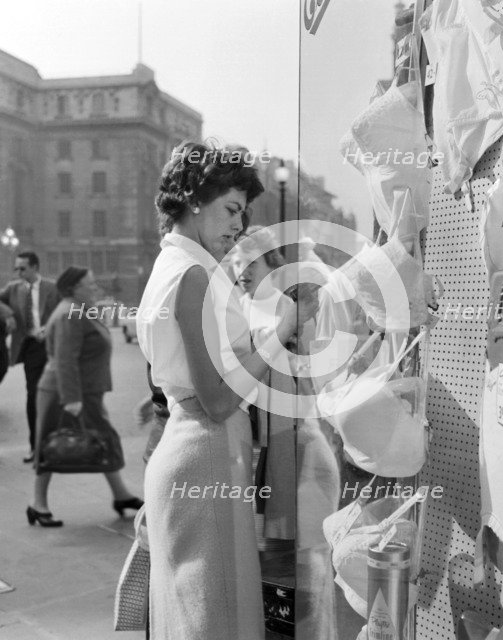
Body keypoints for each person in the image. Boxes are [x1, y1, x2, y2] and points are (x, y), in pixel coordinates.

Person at [137, 140, 317, 640]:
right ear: (195, 198)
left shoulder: (170, 267)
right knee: (215, 619)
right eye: (231, 209)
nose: (238, 225)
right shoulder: (193, 275)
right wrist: (281, 331)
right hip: (207, 451)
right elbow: (218, 401)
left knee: (198, 616)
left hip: (190, 448)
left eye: (243, 213)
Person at [26, 266, 142, 528]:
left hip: (80, 390)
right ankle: (38, 503)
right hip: (67, 392)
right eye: (89, 285)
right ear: (73, 289)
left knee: (103, 439)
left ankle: (121, 494)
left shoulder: (78, 309)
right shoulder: (70, 313)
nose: (95, 288)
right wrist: (72, 399)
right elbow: (65, 359)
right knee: (50, 445)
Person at [233, 225, 297, 543]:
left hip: (277, 411)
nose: (242, 273)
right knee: (247, 479)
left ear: (271, 262)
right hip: (242, 407)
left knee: (273, 477)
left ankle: (271, 542)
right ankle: (253, 543)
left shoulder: (286, 307)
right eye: (236, 264)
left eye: (251, 264)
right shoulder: (236, 306)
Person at [0, 252, 61, 462]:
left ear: (35, 267)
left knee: (54, 396)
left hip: (52, 346)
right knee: (33, 395)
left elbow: (68, 309)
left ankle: (53, 444)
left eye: (22, 268)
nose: (18, 272)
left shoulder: (52, 288)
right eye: (16, 268)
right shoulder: (13, 288)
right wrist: (7, 313)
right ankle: (35, 447)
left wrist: (49, 327)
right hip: (31, 347)